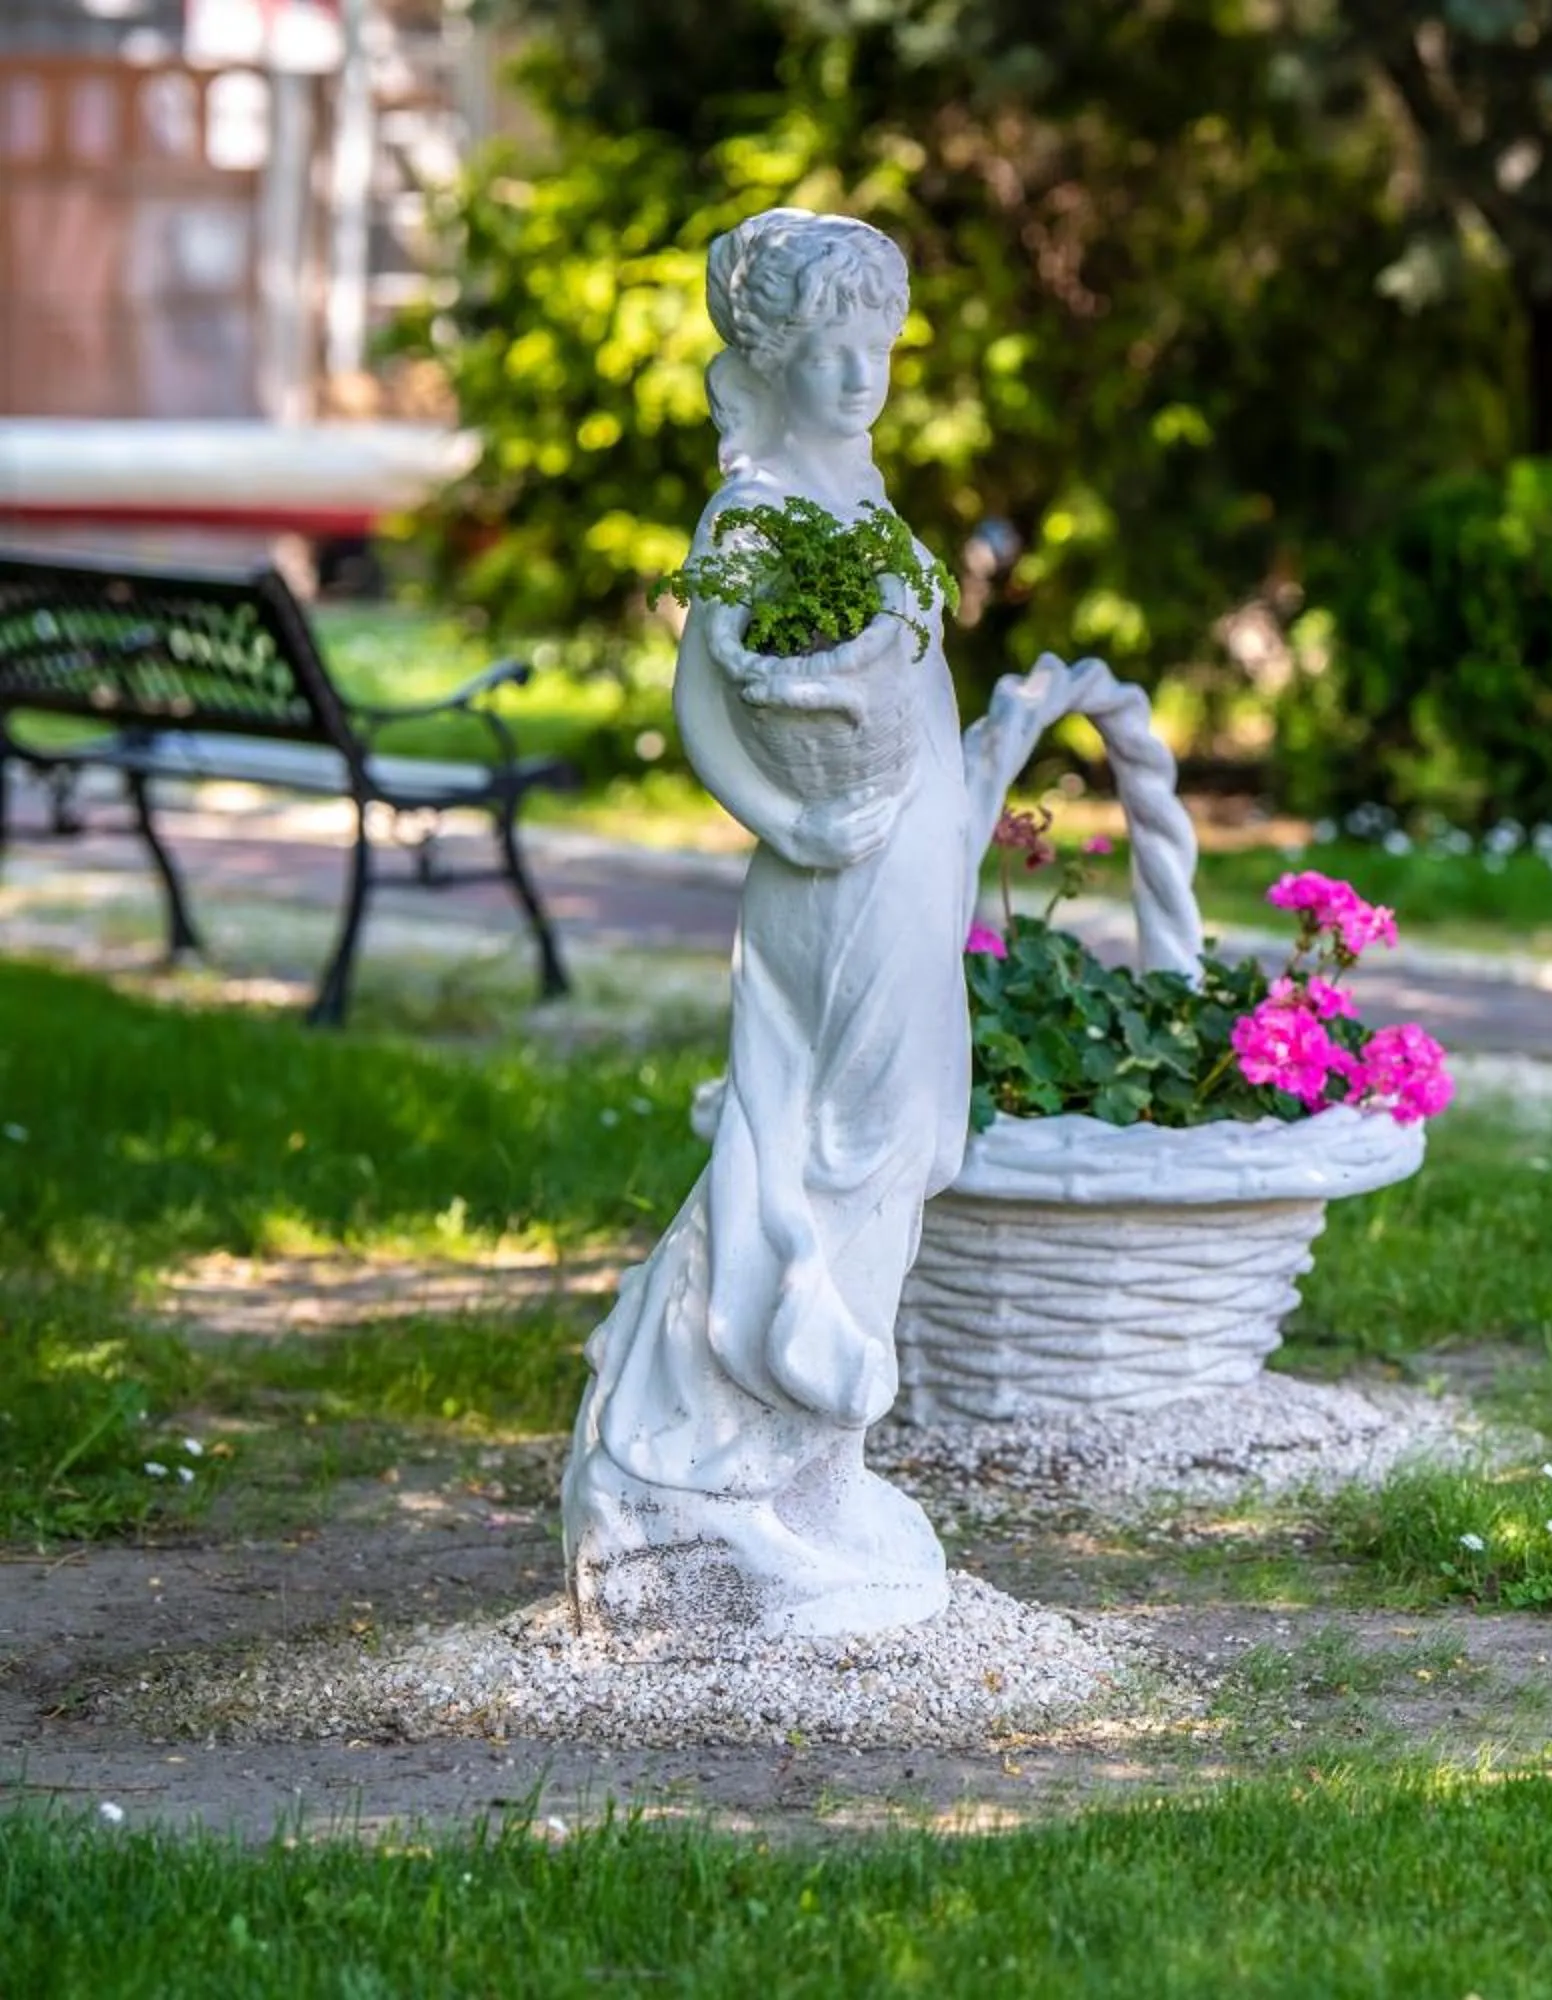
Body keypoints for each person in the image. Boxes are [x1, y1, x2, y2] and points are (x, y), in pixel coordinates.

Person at [560, 208, 966, 1641]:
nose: (861, 376)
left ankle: (813, 1457)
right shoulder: (755, 516)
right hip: (830, 873)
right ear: (775, 357)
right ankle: (696, 1462)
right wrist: (787, 822)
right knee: (819, 1149)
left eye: (879, 346)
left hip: (910, 869)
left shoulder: (864, 503)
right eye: (829, 349)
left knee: (896, 1152)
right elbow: (698, 709)